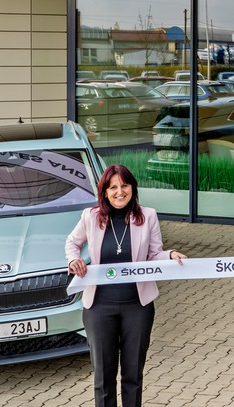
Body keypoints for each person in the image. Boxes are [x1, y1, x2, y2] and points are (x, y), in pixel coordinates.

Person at [66, 164, 186, 407]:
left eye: (124, 185)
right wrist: (74, 259)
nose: (119, 192)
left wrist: (170, 255)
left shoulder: (148, 216)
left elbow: (154, 255)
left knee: (133, 375)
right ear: (105, 192)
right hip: (99, 307)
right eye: (113, 187)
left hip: (137, 306)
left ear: (132, 187)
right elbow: (72, 242)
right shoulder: (91, 217)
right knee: (103, 376)